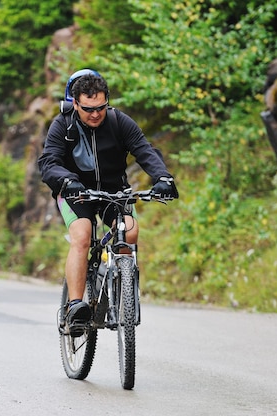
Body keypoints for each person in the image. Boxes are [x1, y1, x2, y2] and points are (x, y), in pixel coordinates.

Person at [38, 69, 178, 335]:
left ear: (107, 101)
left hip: (114, 193)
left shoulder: (118, 122)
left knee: (131, 230)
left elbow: (144, 150)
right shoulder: (62, 125)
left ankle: (122, 290)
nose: (95, 114)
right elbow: (49, 162)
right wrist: (67, 180)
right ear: (75, 103)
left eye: (100, 107)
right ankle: (75, 306)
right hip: (75, 192)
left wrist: (163, 178)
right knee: (82, 235)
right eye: (88, 108)